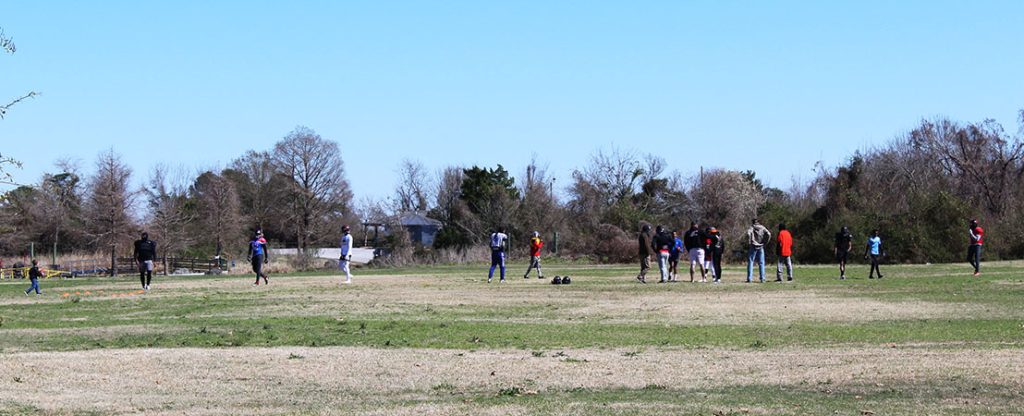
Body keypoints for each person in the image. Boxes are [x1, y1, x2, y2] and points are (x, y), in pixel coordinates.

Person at [746, 219, 771, 283]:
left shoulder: (752, 227)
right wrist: (765, 242)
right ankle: (762, 278)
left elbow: (748, 233)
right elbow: (769, 234)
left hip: (753, 245)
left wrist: (749, 242)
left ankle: (749, 278)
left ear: (753, 222)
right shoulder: (762, 227)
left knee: (751, 262)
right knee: (761, 263)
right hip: (761, 246)